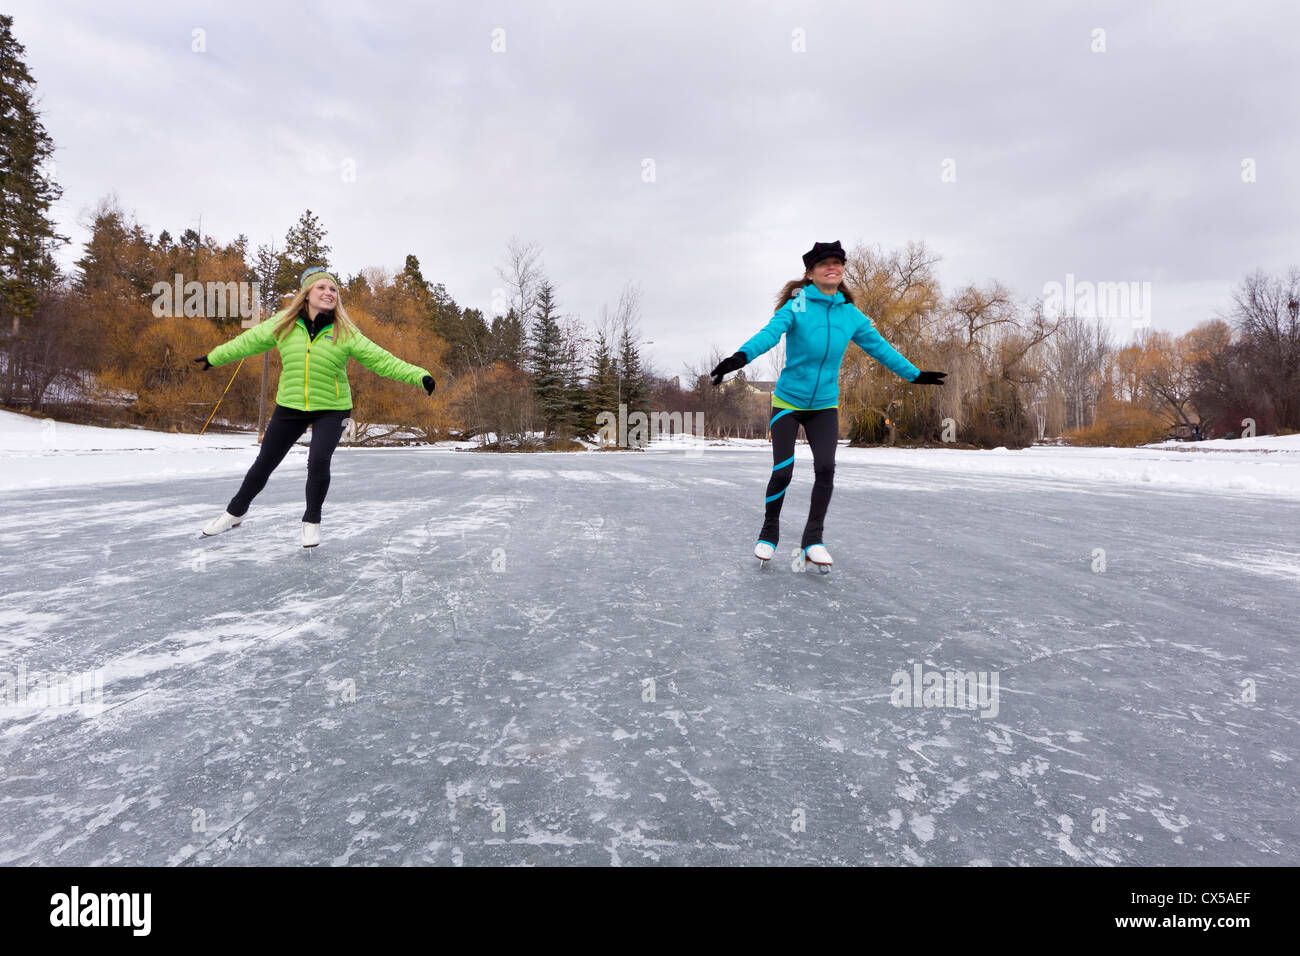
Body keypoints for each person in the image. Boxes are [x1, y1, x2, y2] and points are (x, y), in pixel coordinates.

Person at [709, 241, 946, 571]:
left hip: (823, 405)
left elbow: (881, 349)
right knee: (783, 470)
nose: (832, 268)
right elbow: (769, 334)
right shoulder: (798, 305)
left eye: (838, 263)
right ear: (810, 272)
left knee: (826, 468)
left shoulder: (851, 315)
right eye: (825, 264)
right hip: (788, 402)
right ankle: (769, 533)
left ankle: (813, 540)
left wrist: (914, 375)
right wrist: (739, 358)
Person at [195, 266, 435, 548]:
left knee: (318, 460)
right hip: (291, 406)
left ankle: (312, 520)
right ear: (306, 294)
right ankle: (235, 512)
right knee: (265, 463)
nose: (329, 293)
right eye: (322, 287)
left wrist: (419, 375)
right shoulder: (282, 325)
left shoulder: (345, 333)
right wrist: (215, 357)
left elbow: (382, 360)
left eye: (333, 289)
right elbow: (247, 342)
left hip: (332, 408)